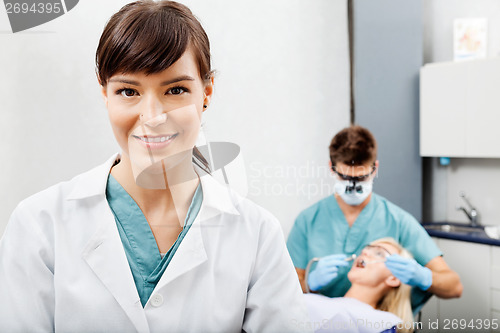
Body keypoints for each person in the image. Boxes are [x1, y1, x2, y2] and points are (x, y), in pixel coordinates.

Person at [0, 1, 310, 332]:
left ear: (206, 93)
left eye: (176, 89)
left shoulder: (257, 234)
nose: (152, 116)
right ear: (105, 93)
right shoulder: (40, 225)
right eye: (128, 91)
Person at [287, 125, 462, 311]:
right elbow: (283, 289)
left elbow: (454, 287)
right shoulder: (308, 221)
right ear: (331, 168)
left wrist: (424, 277)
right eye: (345, 177)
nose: (353, 186)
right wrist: (309, 284)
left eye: (361, 178)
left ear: (375, 168)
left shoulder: (399, 222)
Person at [304, 238, 415, 333]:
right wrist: (307, 285)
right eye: (367, 248)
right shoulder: (316, 300)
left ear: (394, 279)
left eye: (379, 253)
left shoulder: (384, 323)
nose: (365, 252)